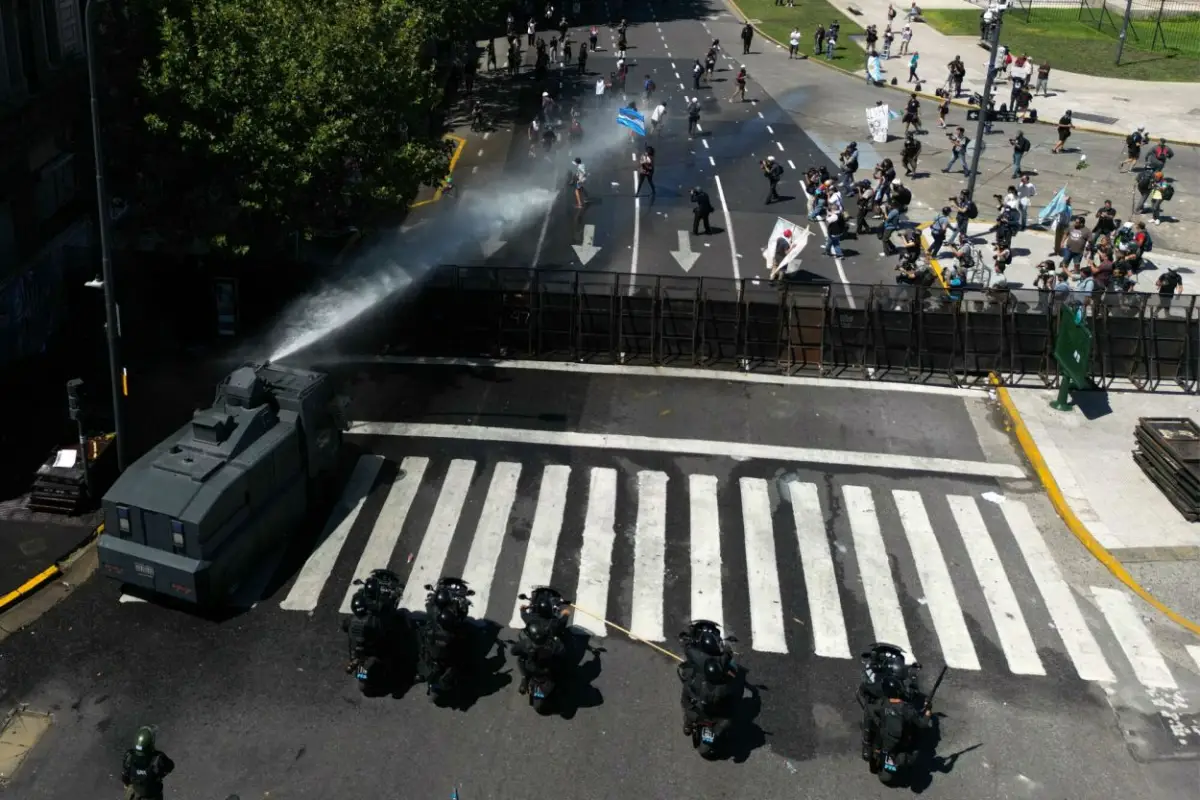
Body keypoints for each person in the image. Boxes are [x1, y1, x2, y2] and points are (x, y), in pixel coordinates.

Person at [862, 677, 932, 762]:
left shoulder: (883, 705)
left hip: (883, 736)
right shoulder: (907, 709)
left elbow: (869, 709)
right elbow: (923, 724)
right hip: (901, 741)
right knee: (917, 734)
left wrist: (876, 719)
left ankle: (868, 742)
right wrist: (928, 710)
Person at [679, 657, 739, 736]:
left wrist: (689, 706)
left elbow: (685, 698)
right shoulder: (725, 687)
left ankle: (688, 726)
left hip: (698, 714)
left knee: (688, 711)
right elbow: (731, 703)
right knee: (728, 720)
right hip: (716, 715)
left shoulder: (696, 682)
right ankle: (719, 733)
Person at [512, 618, 565, 694]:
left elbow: (513, 652)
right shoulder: (552, 643)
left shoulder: (525, 644)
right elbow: (562, 651)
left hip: (532, 668)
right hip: (548, 668)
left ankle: (524, 677)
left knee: (520, 659)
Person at [121, 727, 175, 800]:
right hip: (153, 796)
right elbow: (170, 766)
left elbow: (125, 777)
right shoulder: (158, 758)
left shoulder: (129, 756)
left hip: (136, 792)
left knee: (130, 791)